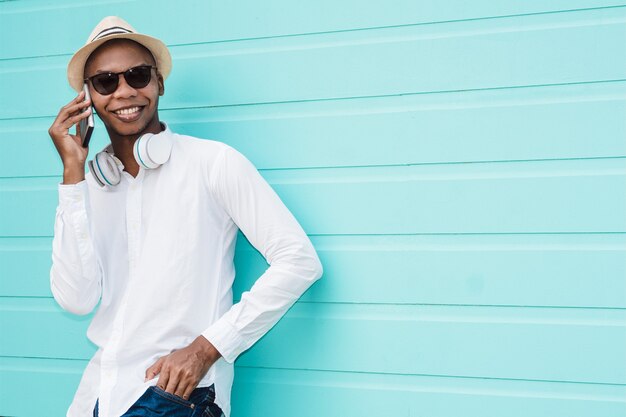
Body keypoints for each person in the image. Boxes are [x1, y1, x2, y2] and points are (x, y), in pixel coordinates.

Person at [48, 16, 323, 417]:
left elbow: (300, 262)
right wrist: (72, 176)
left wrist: (206, 348)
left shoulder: (213, 163)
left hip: (177, 395)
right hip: (101, 394)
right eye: (106, 82)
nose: (125, 91)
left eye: (138, 76)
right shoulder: (90, 189)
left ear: (159, 83)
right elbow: (75, 300)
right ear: (87, 98)